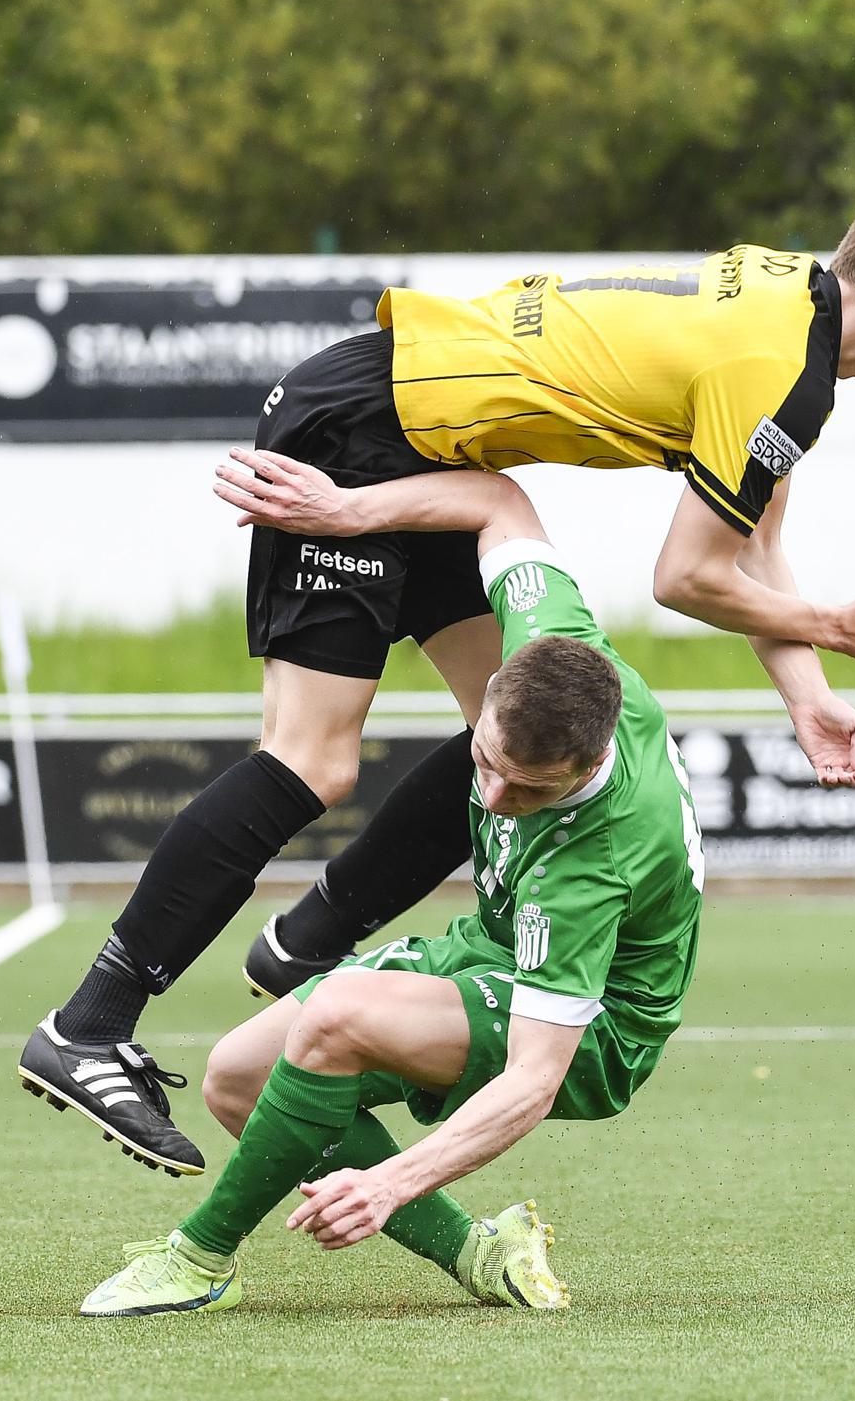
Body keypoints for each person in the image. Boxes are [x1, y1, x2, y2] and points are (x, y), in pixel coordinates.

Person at [20, 163, 855, 1173]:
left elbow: (751, 543)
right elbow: (686, 577)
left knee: (502, 729)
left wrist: (809, 696)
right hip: (364, 436)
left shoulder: (788, 304)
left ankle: (304, 943)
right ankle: (90, 1022)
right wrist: (830, 624)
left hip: (426, 448)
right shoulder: (781, 371)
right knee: (311, 758)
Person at [72, 455, 701, 1315]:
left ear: (590, 762)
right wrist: (343, 507)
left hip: (597, 1024)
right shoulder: (555, 640)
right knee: (236, 1076)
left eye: (527, 788)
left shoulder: (592, 861)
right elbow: (498, 499)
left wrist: (391, 1181)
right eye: (485, 761)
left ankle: (200, 1256)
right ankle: (482, 1253)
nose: (493, 797)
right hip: (494, 941)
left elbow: (535, 1079)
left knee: (332, 1020)